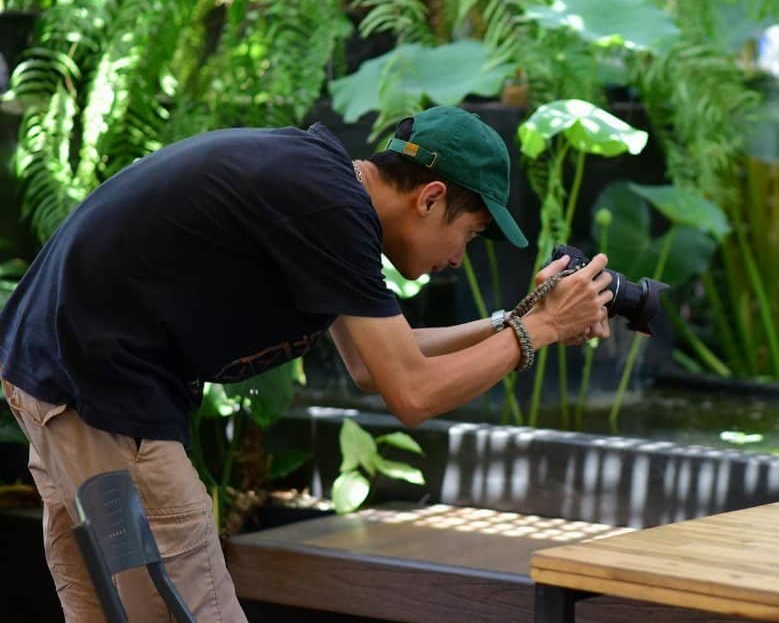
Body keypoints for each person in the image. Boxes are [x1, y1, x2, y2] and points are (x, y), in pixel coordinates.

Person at [0, 105, 612, 622]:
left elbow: (379, 364)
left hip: (56, 379)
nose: (459, 260)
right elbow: (413, 394)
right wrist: (545, 327)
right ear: (431, 198)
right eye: (471, 236)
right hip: (104, 391)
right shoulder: (329, 210)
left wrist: (516, 322)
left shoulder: (324, 195)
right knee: (192, 610)